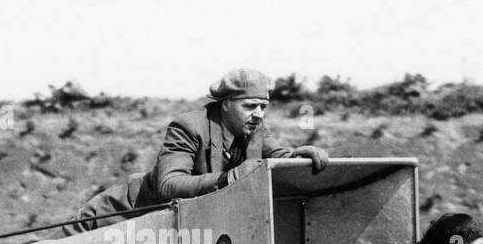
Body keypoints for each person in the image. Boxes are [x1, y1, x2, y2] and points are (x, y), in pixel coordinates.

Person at [68, 68, 329, 232]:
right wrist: (231, 178)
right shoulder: (189, 125)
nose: (259, 114)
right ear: (226, 104)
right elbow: (168, 185)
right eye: (250, 106)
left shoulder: (254, 127)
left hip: (173, 227)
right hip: (121, 215)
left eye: (263, 107)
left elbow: (275, 156)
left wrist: (298, 157)